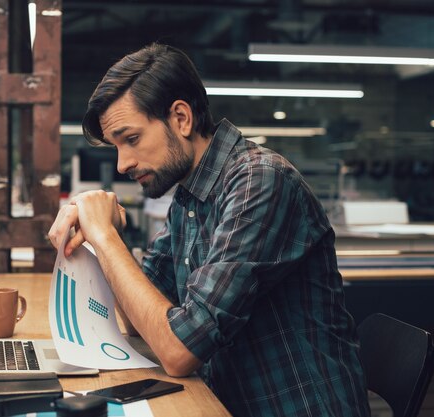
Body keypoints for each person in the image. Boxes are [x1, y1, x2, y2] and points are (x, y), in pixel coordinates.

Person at [48, 43, 370, 417]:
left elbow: (179, 351)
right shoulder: (189, 195)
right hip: (224, 405)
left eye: (131, 139)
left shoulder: (259, 180)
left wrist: (103, 236)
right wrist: (106, 235)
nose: (122, 164)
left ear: (181, 118)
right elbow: (140, 324)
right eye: (116, 146)